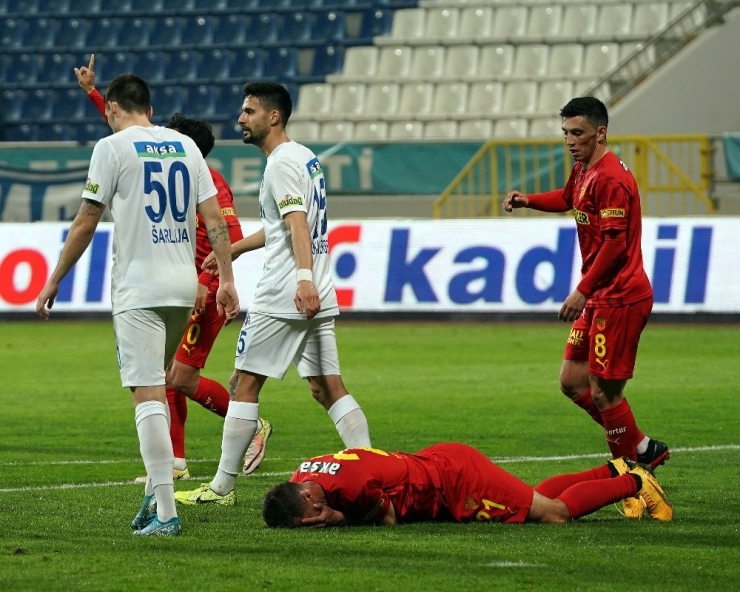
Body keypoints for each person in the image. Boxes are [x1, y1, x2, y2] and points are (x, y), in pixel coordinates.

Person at [36, 73, 239, 536]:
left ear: (110, 108)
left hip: (139, 290)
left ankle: (165, 512)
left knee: (146, 392)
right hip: (182, 287)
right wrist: (226, 279)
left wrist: (54, 280)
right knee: (160, 385)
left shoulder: (111, 147)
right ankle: (154, 495)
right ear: (149, 106)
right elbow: (216, 220)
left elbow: (87, 221)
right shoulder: (185, 147)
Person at [73, 55, 273, 479]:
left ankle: (250, 421)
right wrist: (95, 92)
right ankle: (176, 461)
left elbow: (229, 233)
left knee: (178, 377)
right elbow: (126, 133)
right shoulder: (165, 157)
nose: (157, 139)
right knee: (166, 376)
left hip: (203, 289)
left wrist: (212, 279)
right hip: (184, 284)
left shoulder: (211, 181)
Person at [176, 81, 371, 507]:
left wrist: (301, 277)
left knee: (245, 384)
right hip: (316, 288)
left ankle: (221, 489)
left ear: (273, 116)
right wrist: (233, 250)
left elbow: (298, 222)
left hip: (287, 293)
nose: (241, 119)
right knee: (327, 387)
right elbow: (283, 224)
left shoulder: (280, 163)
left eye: (248, 112)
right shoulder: (305, 158)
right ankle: (371, 469)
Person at [502, 96, 668, 519]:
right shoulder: (584, 170)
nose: (570, 141)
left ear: (601, 133)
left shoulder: (611, 177)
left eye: (577, 133)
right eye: (566, 134)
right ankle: (643, 450)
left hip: (619, 297)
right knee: (573, 381)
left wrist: (581, 290)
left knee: (604, 392)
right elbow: (567, 198)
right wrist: (528, 201)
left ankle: (630, 480)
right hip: (601, 297)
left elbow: (614, 243)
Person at [262, 443, 672, 528]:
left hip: (455, 479)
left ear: (306, 495)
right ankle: (613, 469)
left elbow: (386, 520)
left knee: (553, 514)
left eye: (312, 515)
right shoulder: (303, 477)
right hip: (438, 469)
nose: (317, 519)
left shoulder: (350, 490)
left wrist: (336, 519)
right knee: (535, 498)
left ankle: (637, 481)